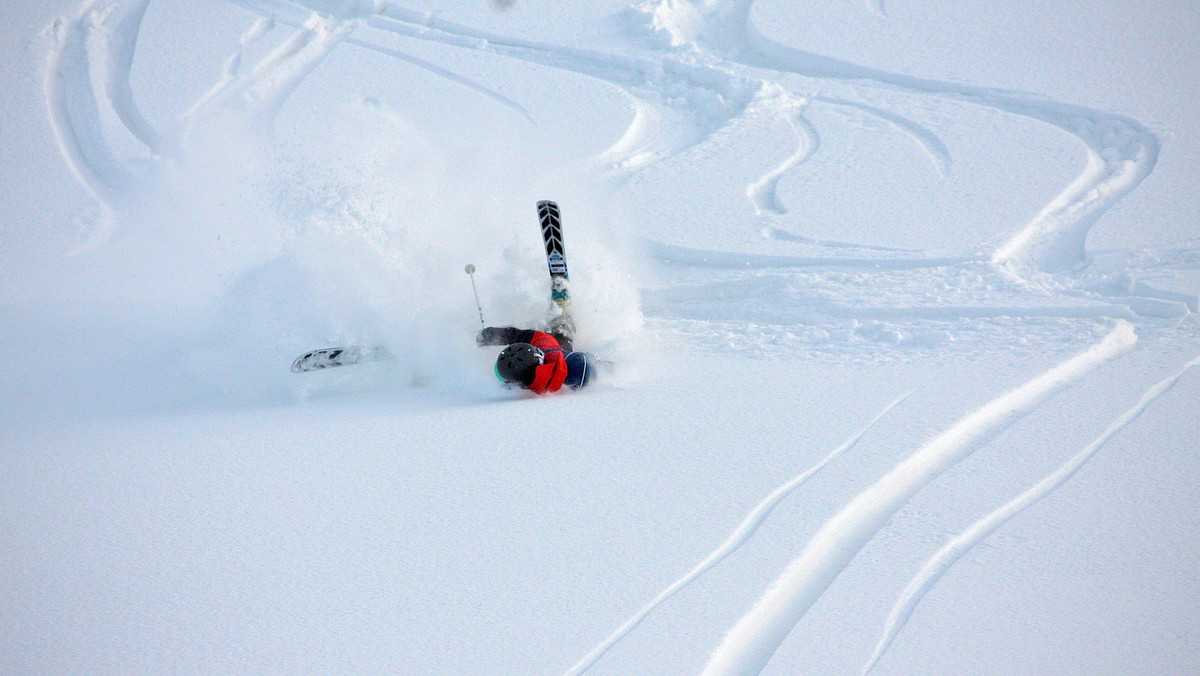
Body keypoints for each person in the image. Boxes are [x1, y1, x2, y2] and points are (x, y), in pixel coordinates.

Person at [476, 326, 596, 393]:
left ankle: (559, 308)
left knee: (560, 329)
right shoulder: (544, 351)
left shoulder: (576, 367)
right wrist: (494, 335)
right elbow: (526, 336)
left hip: (561, 344)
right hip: (557, 348)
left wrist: (495, 335)